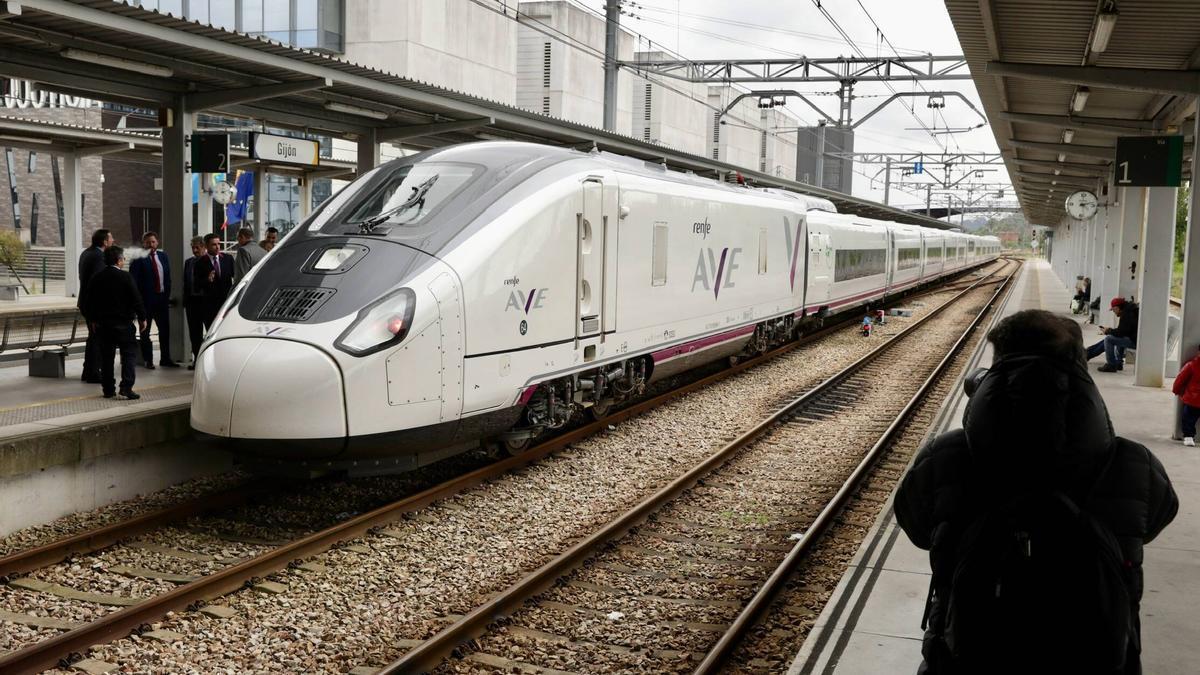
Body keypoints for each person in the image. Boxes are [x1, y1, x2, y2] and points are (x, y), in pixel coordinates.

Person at [895, 309, 1177, 675]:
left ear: (998, 364)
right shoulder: (1133, 463)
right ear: (1079, 366)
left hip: (965, 654)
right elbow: (1157, 517)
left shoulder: (945, 456)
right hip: (1094, 655)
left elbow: (918, 529)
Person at [79, 246, 147, 400]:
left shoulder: (97, 278)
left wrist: (94, 320)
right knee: (129, 355)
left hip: (104, 325)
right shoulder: (126, 277)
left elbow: (89, 302)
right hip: (124, 324)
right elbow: (136, 299)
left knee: (107, 358)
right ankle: (126, 387)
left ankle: (108, 389)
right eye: (123, 258)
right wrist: (143, 318)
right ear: (119, 260)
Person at [128, 232, 179, 369]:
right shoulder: (138, 259)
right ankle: (148, 360)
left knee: (164, 331)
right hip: (145, 303)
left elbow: (167, 278)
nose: (151, 245)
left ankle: (165, 358)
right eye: (148, 242)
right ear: (143, 243)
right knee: (145, 332)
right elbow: (133, 282)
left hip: (162, 301)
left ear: (157, 242)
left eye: (153, 242)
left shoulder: (163, 256)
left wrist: (166, 295)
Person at [77, 228, 112, 383]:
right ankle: (93, 372)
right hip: (95, 306)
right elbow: (98, 284)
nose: (113, 240)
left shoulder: (86, 252)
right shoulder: (99, 256)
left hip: (85, 302)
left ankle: (88, 371)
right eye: (111, 238)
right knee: (97, 338)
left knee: (93, 338)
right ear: (104, 242)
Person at [1087, 297, 1139, 372]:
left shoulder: (1127, 314)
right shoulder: (1128, 311)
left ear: (1117, 308)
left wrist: (1108, 331)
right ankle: (1118, 362)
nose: (1114, 312)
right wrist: (1110, 331)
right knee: (1112, 337)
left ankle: (1111, 365)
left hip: (1135, 342)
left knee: (1109, 339)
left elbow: (1121, 333)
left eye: (1114, 310)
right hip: (1135, 339)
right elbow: (1122, 331)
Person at [195, 233, 234, 330]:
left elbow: (237, 277)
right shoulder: (200, 263)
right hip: (210, 307)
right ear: (206, 246)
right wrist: (207, 280)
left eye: (218, 244)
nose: (217, 247)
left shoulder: (228, 259)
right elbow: (196, 286)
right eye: (214, 244)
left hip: (226, 304)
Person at [182, 236, 206, 370]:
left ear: (204, 247)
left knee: (208, 332)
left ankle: (205, 360)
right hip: (192, 302)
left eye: (198, 247)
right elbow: (186, 282)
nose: (195, 250)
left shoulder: (208, 261)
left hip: (205, 302)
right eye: (193, 248)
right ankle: (197, 359)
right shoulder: (189, 262)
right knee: (194, 333)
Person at [1172, 347, 1200, 447]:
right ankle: (1188, 436)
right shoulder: (1192, 365)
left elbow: (1181, 378)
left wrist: (1176, 390)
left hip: (1193, 399)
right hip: (1193, 399)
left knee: (1188, 418)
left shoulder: (1191, 365)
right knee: (1189, 417)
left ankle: (1188, 436)